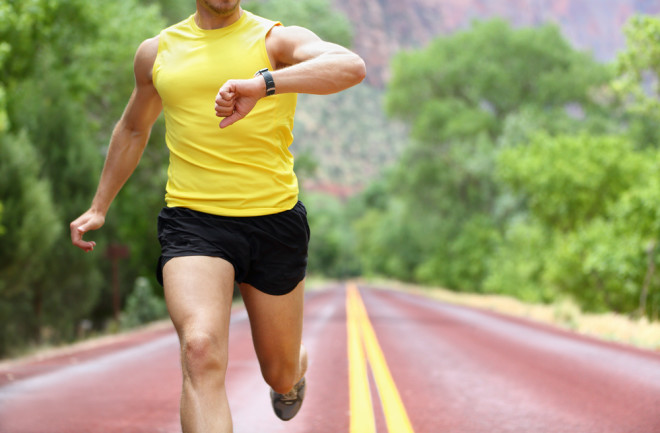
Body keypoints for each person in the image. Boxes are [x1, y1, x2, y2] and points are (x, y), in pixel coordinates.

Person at [69, 1, 366, 432]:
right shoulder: (158, 52)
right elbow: (133, 128)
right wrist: (99, 205)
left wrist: (264, 83)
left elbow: (350, 66)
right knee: (199, 349)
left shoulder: (275, 40)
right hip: (194, 222)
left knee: (279, 372)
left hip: (274, 220)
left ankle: (293, 369)